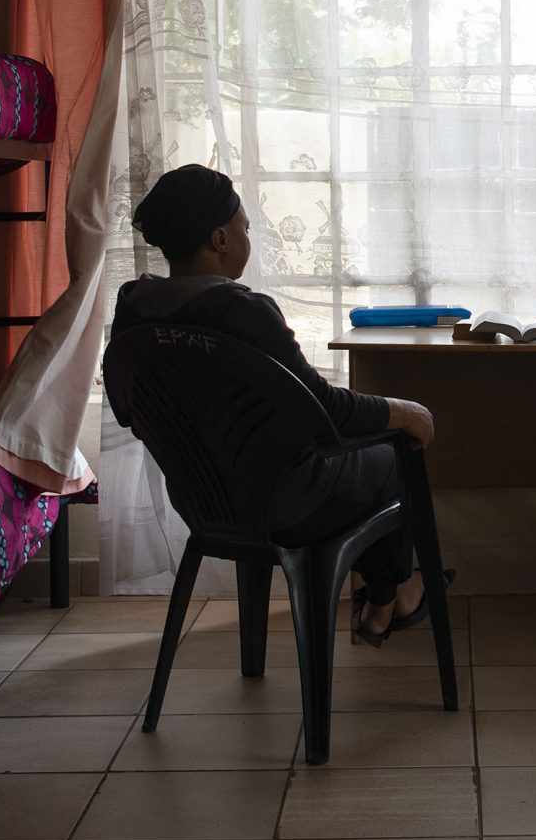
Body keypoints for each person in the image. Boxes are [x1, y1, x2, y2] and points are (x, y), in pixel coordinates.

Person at [109, 164, 440, 646]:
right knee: (395, 452)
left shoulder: (134, 309)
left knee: (358, 463)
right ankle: (392, 596)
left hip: (204, 507)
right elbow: (326, 413)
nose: (247, 237)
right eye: (244, 227)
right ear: (220, 239)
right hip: (289, 503)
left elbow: (126, 411)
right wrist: (403, 410)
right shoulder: (242, 311)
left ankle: (387, 598)